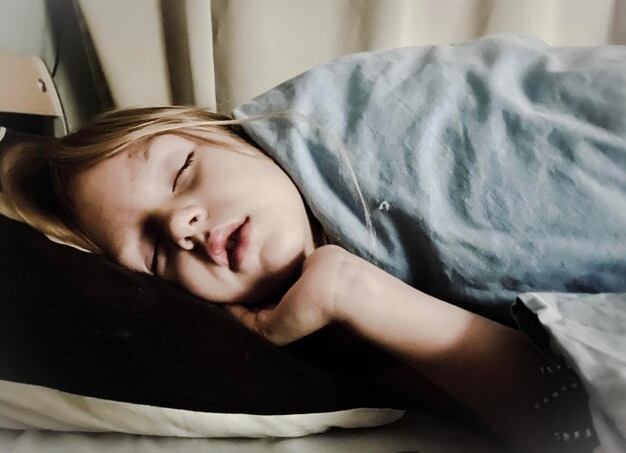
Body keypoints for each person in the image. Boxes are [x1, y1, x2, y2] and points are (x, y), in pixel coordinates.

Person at [0, 106, 600, 453]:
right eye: (155, 252)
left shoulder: (361, 132)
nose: (182, 222)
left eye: (183, 169)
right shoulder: (329, 362)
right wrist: (351, 294)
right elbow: (577, 427)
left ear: (227, 132)